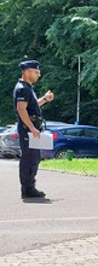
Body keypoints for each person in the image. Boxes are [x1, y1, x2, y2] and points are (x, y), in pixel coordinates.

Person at [14, 60, 54, 200]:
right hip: (28, 129)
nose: (39, 74)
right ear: (27, 72)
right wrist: (31, 128)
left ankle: (30, 187)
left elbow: (32, 106)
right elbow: (21, 109)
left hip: (31, 129)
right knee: (29, 158)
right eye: (36, 72)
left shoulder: (27, 87)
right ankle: (27, 189)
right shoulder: (23, 88)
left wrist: (45, 99)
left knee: (35, 157)